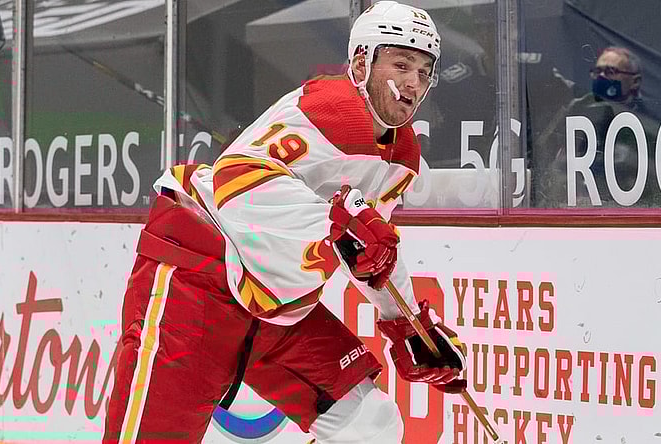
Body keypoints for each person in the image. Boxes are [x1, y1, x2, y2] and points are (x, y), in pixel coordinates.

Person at [103, 2, 466, 443]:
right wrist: (334, 221)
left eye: (425, 71)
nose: (413, 81)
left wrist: (410, 326)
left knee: (370, 423)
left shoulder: (403, 154)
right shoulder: (328, 109)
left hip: (278, 307)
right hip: (199, 282)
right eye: (401, 63)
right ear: (360, 63)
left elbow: (371, 250)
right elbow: (234, 182)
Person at [532, 46, 661, 207]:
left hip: (635, 207)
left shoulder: (651, 118)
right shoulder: (578, 107)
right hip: (581, 203)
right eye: (598, 72)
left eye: (610, 72)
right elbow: (545, 149)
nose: (602, 77)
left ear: (635, 81)